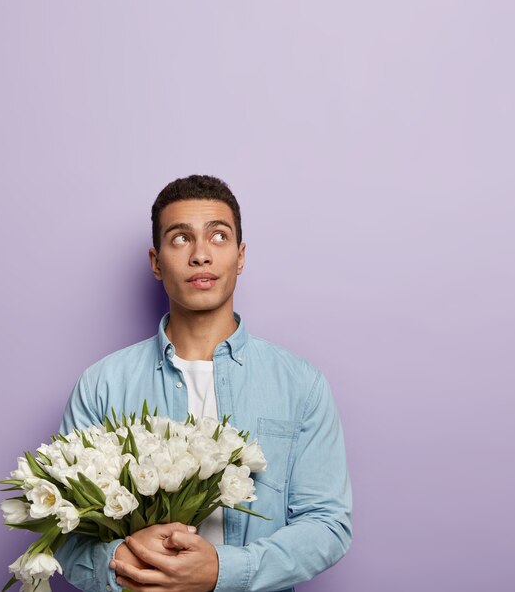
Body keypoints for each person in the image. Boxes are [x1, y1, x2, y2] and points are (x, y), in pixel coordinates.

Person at [55, 175, 352, 592]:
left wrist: (223, 572)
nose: (200, 255)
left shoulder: (301, 384)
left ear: (240, 255)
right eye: (180, 239)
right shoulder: (102, 384)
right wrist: (121, 563)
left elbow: (327, 524)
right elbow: (64, 531)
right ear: (156, 262)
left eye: (218, 236)